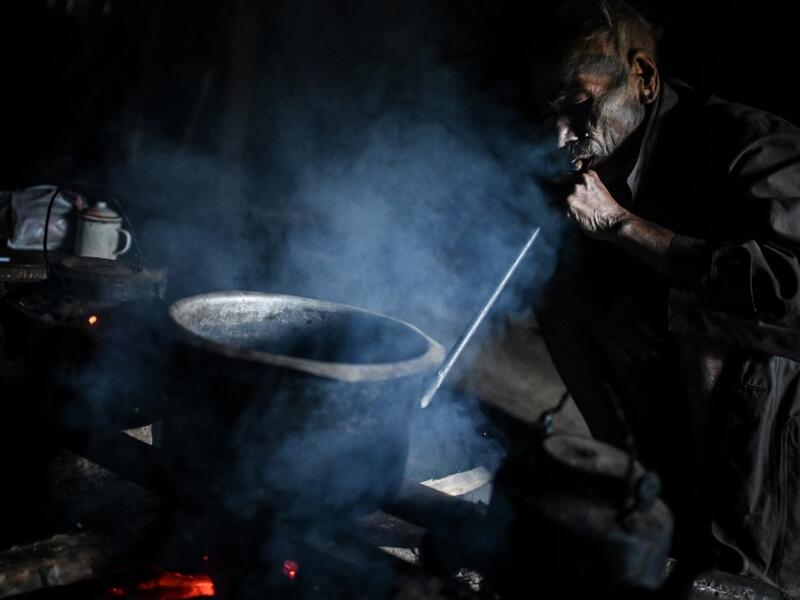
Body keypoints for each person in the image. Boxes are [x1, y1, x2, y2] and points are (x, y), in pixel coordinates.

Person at [516, 0, 800, 594]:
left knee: (709, 317)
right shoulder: (593, 154)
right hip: (676, 398)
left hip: (774, 423)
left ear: (643, 78)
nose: (560, 136)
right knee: (560, 292)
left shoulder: (751, 146)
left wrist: (622, 226)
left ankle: (732, 561)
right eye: (549, 114)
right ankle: (644, 504)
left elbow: (785, 294)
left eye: (577, 106)